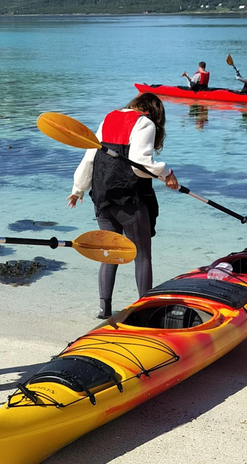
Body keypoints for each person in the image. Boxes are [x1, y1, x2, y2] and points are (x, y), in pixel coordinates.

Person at [67, 93, 179, 319]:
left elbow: (90, 157)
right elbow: (140, 164)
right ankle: (146, 312)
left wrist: (78, 188)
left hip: (102, 195)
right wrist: (167, 173)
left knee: (110, 253)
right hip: (129, 198)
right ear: (154, 111)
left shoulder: (109, 117)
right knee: (142, 255)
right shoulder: (145, 123)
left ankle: (104, 310)